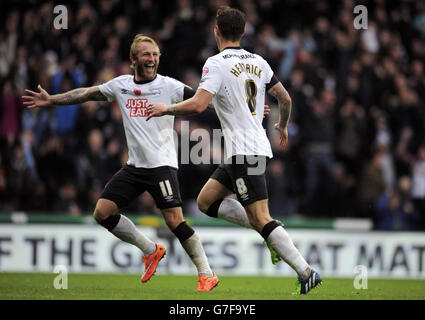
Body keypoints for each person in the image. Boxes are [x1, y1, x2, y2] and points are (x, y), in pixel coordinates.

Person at [22, 34, 219, 291]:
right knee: (102, 213)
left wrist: (243, 113)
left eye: (156, 54)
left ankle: (206, 273)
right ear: (133, 59)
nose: (152, 59)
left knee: (174, 221)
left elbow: (204, 103)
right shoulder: (121, 85)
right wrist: (52, 100)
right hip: (135, 166)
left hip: (161, 164)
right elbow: (86, 93)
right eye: (147, 54)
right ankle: (150, 249)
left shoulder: (169, 86)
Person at [147, 6, 322, 295]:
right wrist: (282, 125)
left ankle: (305, 271)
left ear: (216, 31)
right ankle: (270, 235)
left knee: (261, 217)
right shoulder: (259, 62)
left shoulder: (215, 63)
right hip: (247, 151)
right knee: (206, 202)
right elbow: (285, 98)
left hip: (245, 153)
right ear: (243, 32)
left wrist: (167, 108)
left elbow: (199, 104)